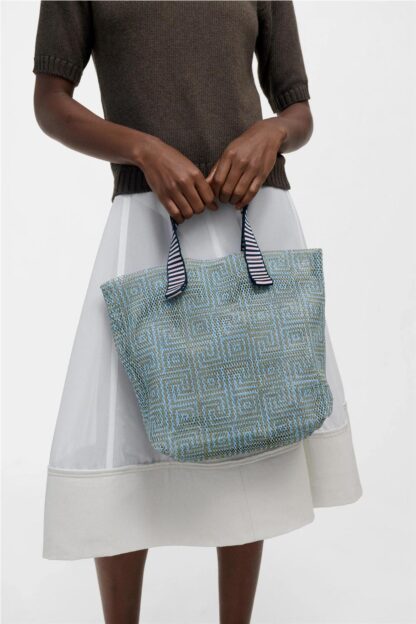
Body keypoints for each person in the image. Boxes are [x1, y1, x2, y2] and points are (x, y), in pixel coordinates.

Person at [32, 2, 363, 622]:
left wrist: (271, 133)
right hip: (148, 214)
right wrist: (142, 150)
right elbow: (50, 103)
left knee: (253, 418)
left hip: (252, 210)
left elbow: (298, 112)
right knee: (123, 439)